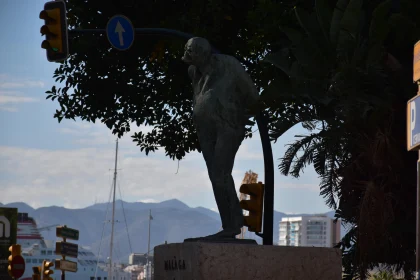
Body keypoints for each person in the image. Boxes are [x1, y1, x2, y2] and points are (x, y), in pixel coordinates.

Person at [182, 37, 259, 239]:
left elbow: (251, 94)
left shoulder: (228, 65)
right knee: (215, 175)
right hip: (206, 129)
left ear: (202, 53)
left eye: (191, 54)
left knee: (220, 173)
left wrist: (241, 115)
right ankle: (230, 223)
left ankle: (232, 225)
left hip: (228, 124)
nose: (189, 59)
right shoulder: (193, 72)